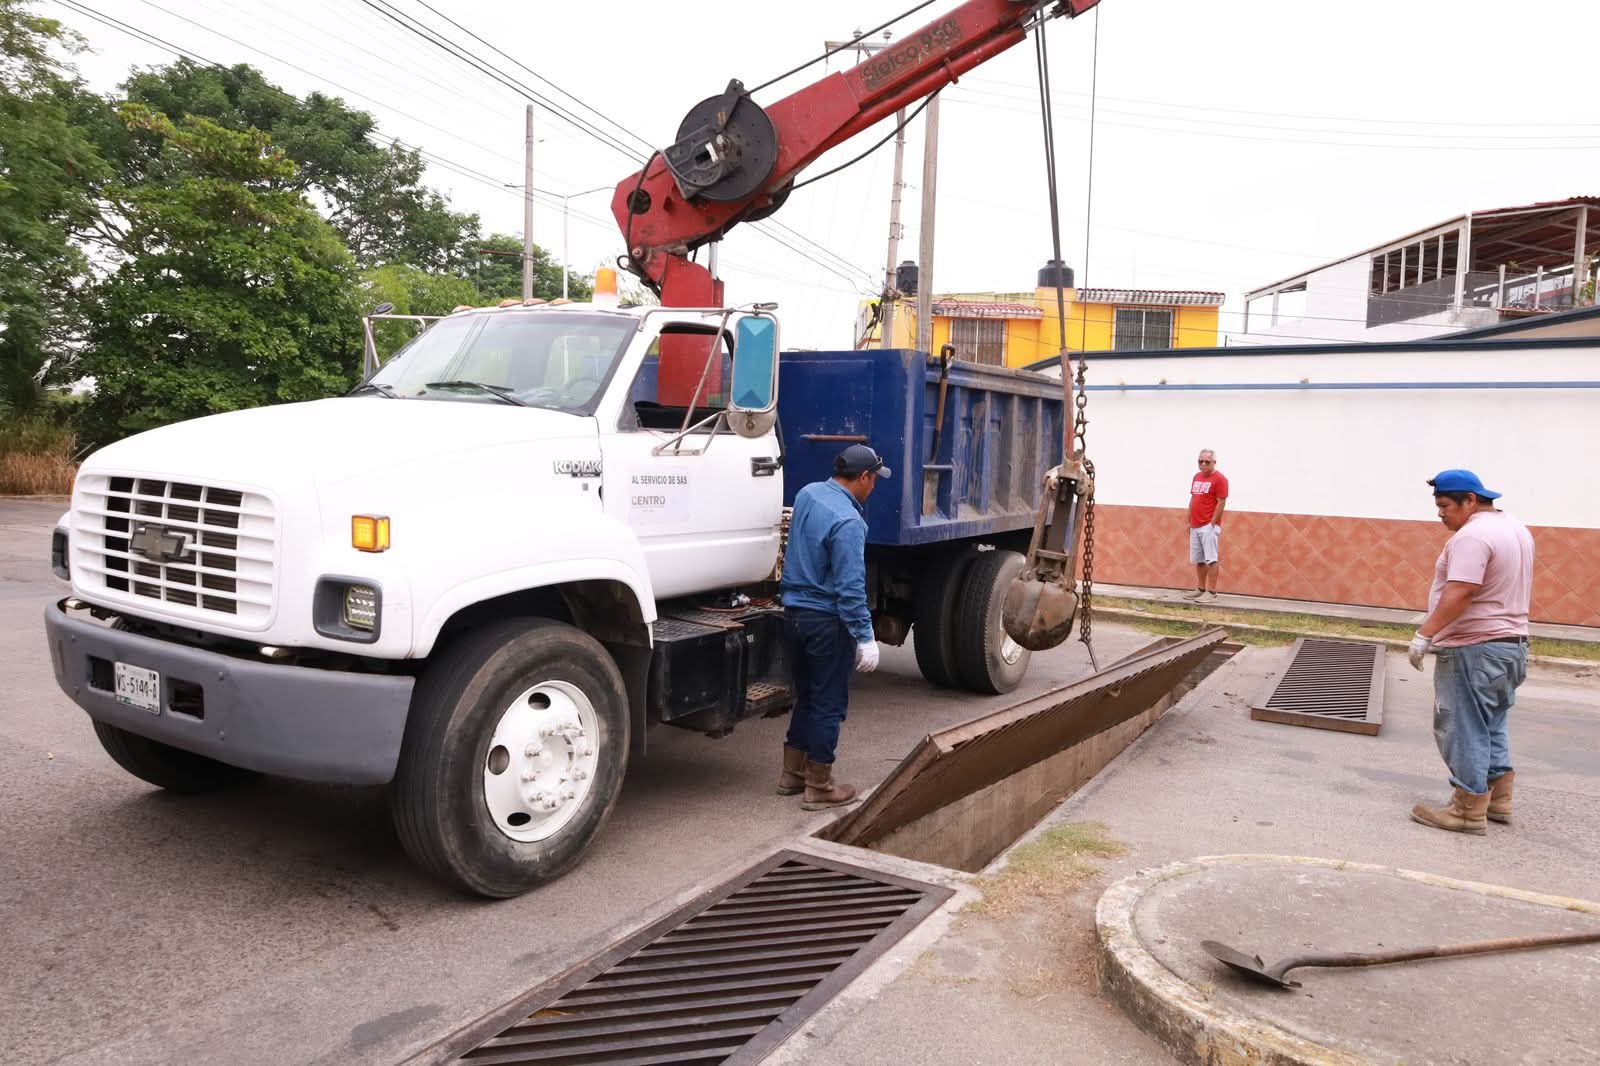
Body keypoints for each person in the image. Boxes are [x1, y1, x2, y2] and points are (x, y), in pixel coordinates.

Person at [1407, 469, 1534, 835]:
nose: (1440, 514)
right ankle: (1498, 799)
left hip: (1474, 648)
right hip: (1510, 647)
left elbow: (1462, 590)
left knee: (1460, 725)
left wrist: (1425, 634)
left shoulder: (1473, 536)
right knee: (1490, 723)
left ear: (1470, 501)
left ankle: (1466, 810)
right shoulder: (1514, 528)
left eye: (1445, 505)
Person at [777, 444, 890, 810]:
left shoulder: (808, 494)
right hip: (827, 622)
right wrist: (866, 636)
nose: (874, 487)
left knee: (807, 695)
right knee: (828, 704)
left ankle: (791, 774)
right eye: (874, 479)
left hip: (793, 615)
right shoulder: (849, 522)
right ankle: (819, 786)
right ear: (863, 477)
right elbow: (850, 587)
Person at [1183, 449, 1228, 602]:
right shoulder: (1196, 477)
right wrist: (1188, 520)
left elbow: (1221, 503)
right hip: (1195, 525)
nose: (1203, 464)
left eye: (1207, 461)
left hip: (1208, 525)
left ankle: (1212, 592)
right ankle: (1200, 588)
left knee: (1211, 559)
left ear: (1214, 462)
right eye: (1200, 461)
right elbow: (1193, 499)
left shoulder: (1220, 479)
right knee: (1199, 560)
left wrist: (1212, 524)